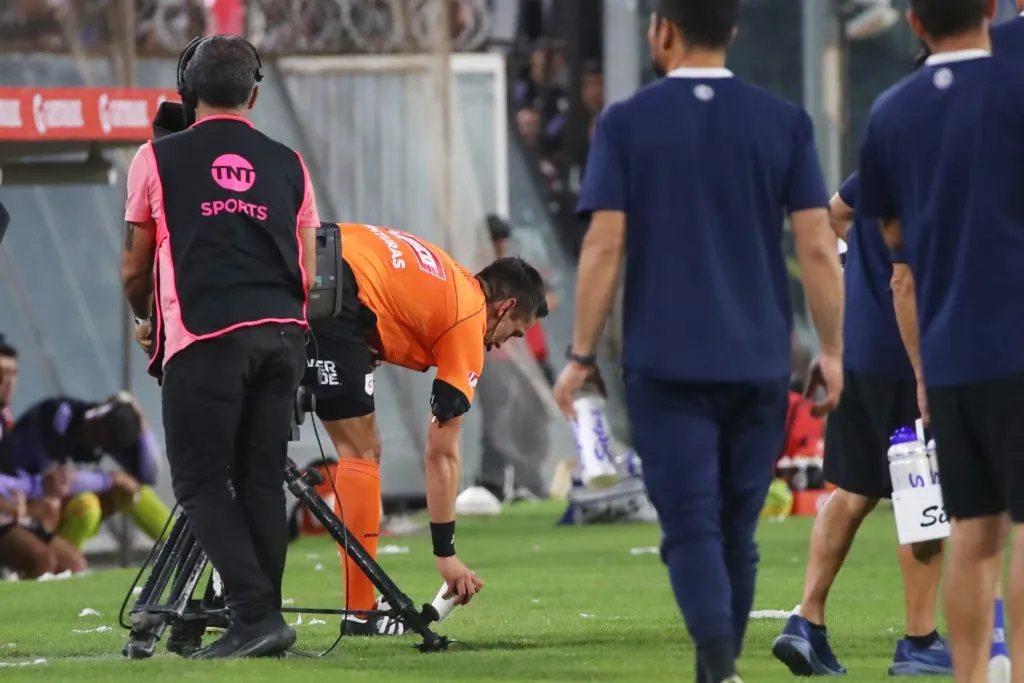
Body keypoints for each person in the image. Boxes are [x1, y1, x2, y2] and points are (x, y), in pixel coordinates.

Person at [551, 1, 845, 682]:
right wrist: (831, 349)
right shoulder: (784, 122)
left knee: (689, 524)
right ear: (732, 30)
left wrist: (580, 355)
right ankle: (718, 666)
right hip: (761, 358)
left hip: (666, 359)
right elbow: (817, 246)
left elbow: (605, 244)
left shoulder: (626, 123)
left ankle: (716, 664)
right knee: (736, 530)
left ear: (664, 31)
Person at [121, 34, 319, 658]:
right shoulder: (291, 163)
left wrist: (147, 317)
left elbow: (133, 267)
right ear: (254, 93)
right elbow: (308, 272)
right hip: (284, 335)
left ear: (187, 90)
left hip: (204, 336)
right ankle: (263, 623)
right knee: (260, 480)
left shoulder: (155, 158)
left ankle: (255, 617)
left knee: (203, 484)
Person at [857, 1, 1024, 681]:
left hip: (952, 353)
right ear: (992, 11)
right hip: (1018, 339)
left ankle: (966, 675)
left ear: (915, 23)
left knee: (975, 535)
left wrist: (924, 370)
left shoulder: (889, 113)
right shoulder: (1016, 89)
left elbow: (895, 242)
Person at [307, 222, 547, 635]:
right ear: (505, 307)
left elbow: (385, 282)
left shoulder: (450, 278)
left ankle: (236, 588)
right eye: (514, 332)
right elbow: (442, 453)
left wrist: (369, 337)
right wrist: (446, 554)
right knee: (359, 452)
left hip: (310, 256)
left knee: (354, 446)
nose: (504, 343)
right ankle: (360, 614)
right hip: (335, 286)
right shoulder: (469, 323)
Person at [3, 394, 169, 551]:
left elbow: (149, 475)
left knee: (135, 492)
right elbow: (60, 482)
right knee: (87, 506)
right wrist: (112, 479)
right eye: (100, 424)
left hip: (57, 502)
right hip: (25, 501)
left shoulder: (106, 435)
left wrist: (142, 421)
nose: (97, 429)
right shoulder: (59, 417)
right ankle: (63, 568)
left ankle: (183, 546)